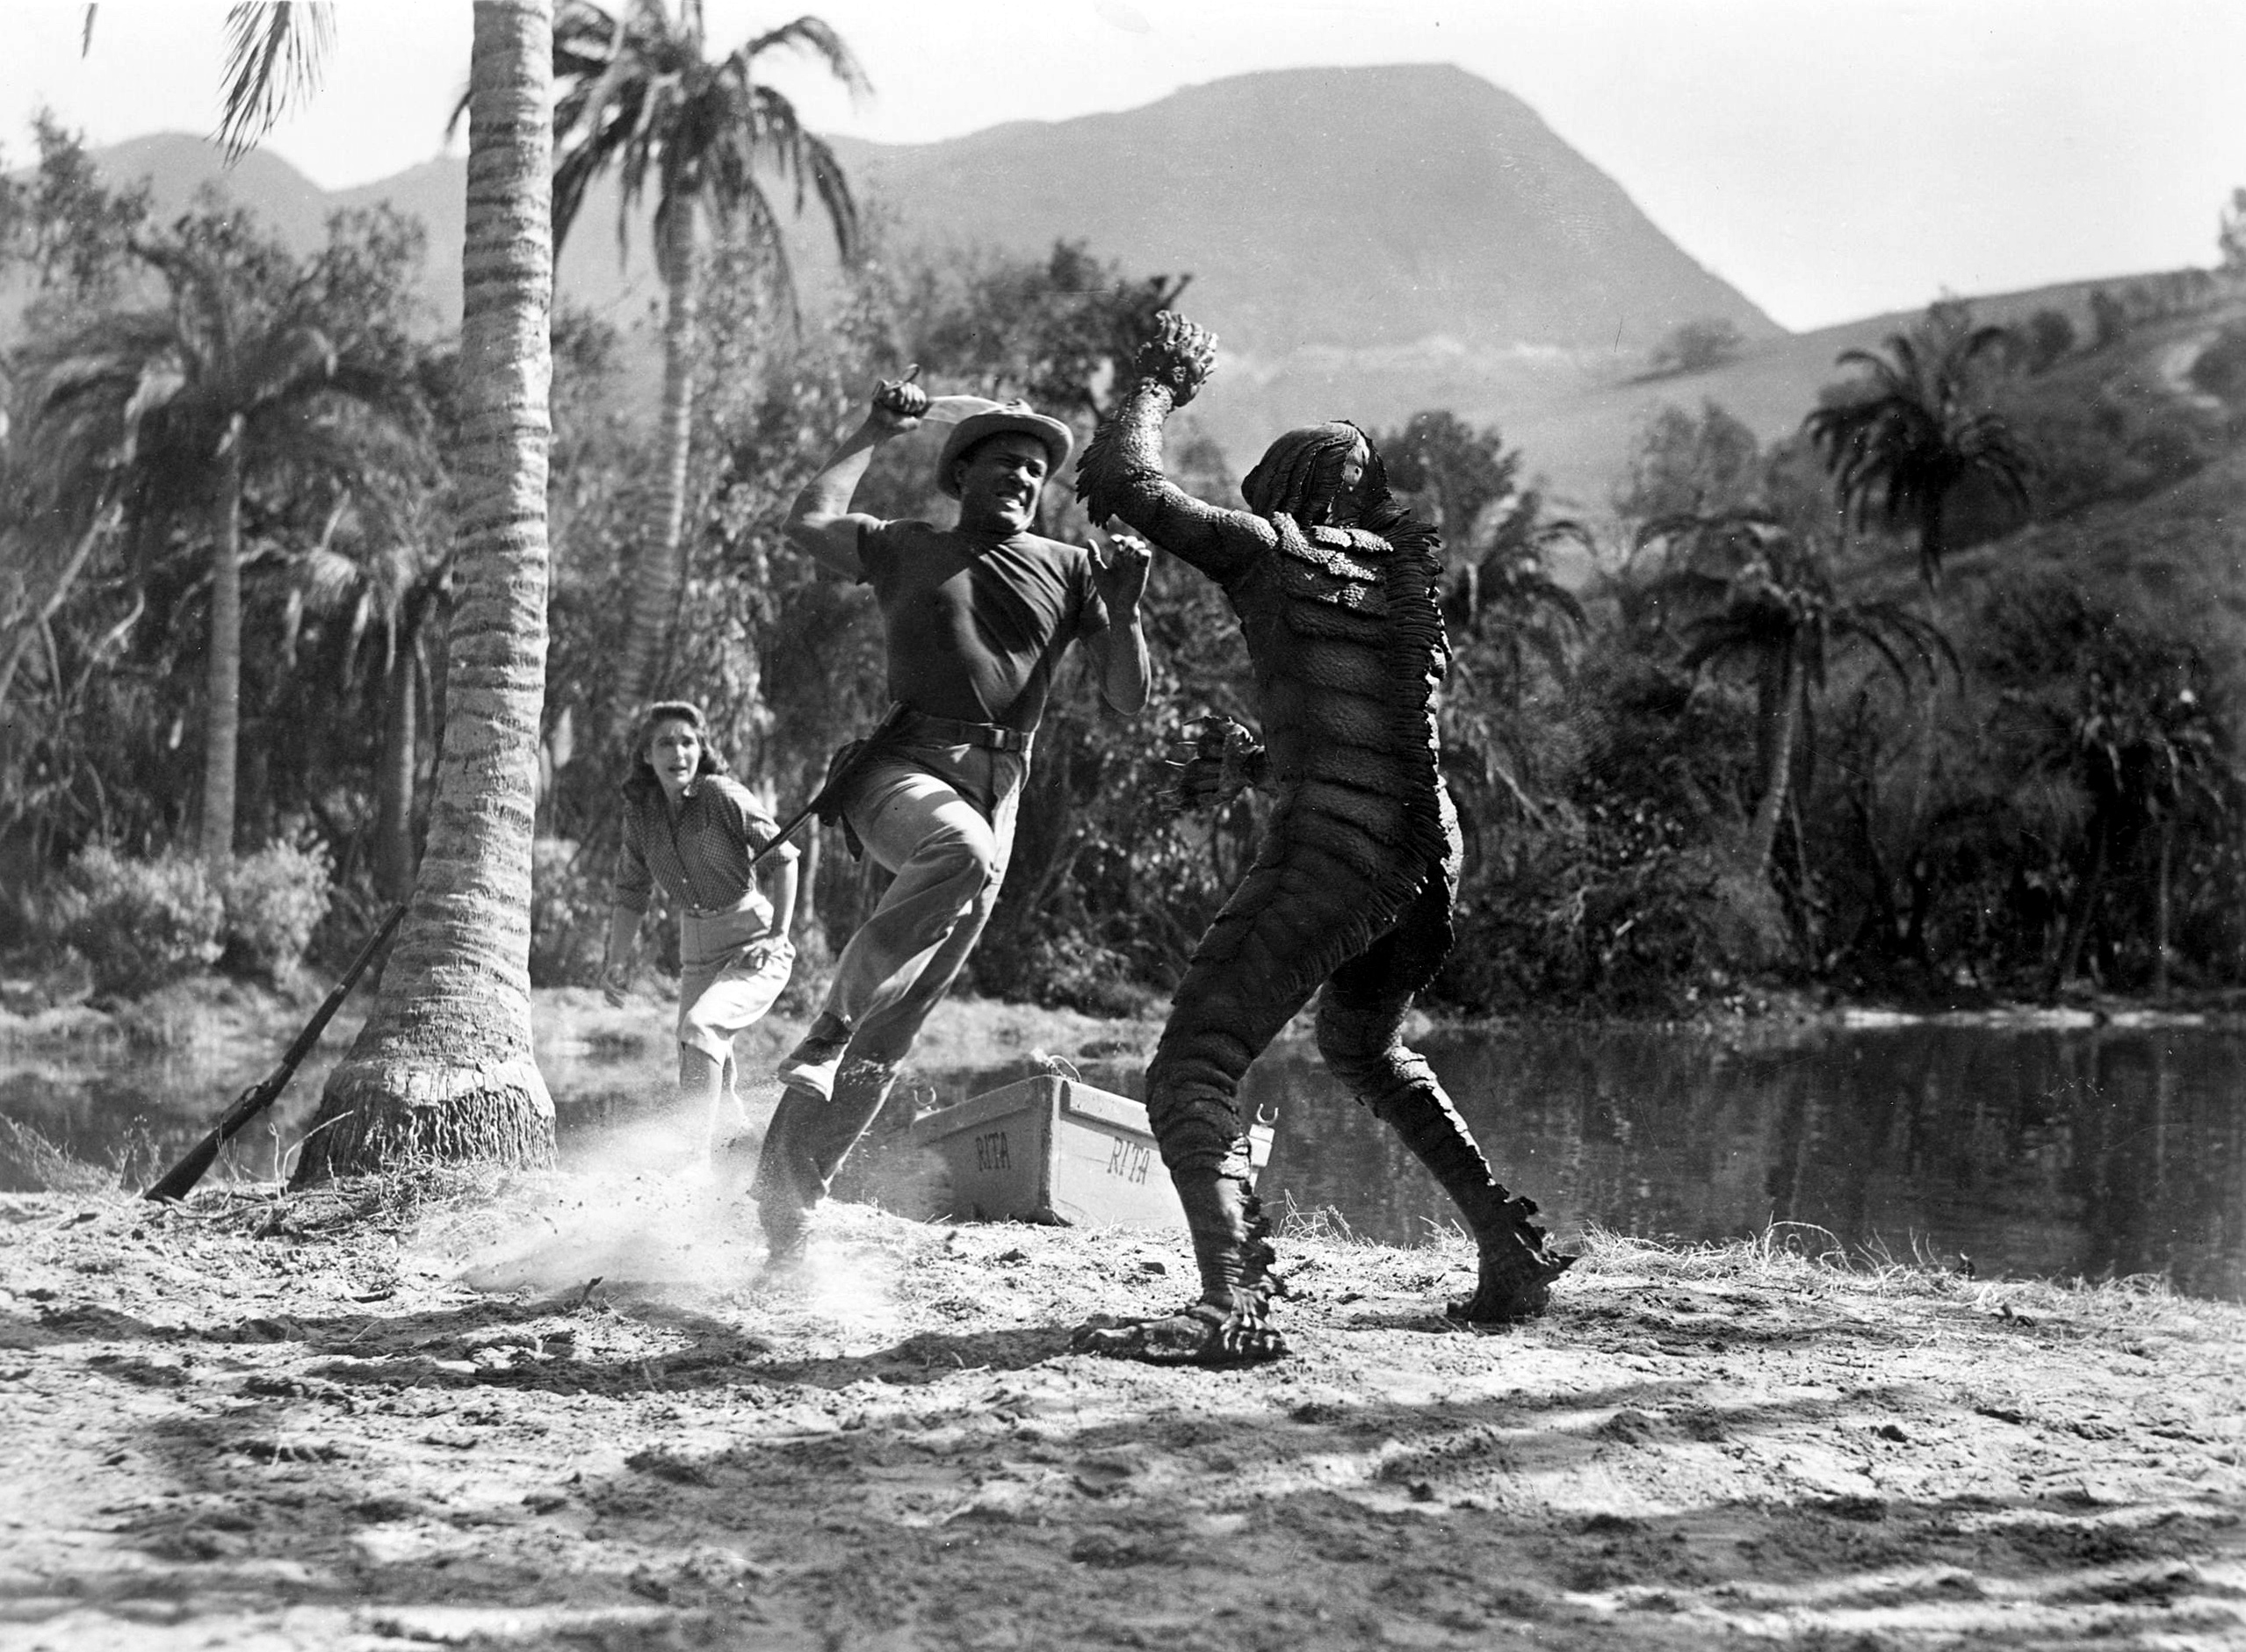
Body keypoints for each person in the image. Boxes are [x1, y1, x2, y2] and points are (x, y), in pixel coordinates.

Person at [1072, 311, 1573, 1365]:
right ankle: (1508, 1249)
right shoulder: (1403, 587)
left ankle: (1233, 1301)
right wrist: (1265, 764)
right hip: (1431, 849)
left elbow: (1123, 483)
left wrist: (1159, 381)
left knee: (1192, 1067)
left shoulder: (1270, 549)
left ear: (1286, 490)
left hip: (1342, 849)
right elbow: (1379, 741)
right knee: (1363, 1047)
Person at [750, 379, 1152, 1260]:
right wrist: (872, 429)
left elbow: (1127, 697)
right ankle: (823, 1033)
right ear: (960, 473)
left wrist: (1124, 608)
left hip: (1001, 791)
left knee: (894, 1021)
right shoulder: (907, 546)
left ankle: (786, 1203)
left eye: (1035, 469)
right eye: (1004, 462)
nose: (1022, 477)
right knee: (956, 849)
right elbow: (806, 523)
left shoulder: (1070, 568)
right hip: (902, 770)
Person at [602, 701, 798, 1156]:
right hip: (698, 947)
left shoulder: (721, 795)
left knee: (701, 1027)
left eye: (687, 742)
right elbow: (631, 891)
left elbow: (784, 857)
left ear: (701, 749)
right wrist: (616, 961)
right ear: (647, 755)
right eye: (665, 743)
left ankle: (695, 1162)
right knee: (696, 1055)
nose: (678, 752)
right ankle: (743, 1154)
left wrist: (778, 935)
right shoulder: (642, 815)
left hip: (753, 941)